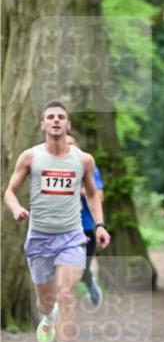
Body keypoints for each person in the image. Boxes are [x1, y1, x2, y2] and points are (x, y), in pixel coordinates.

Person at [3, 100, 111, 342]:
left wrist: (99, 225)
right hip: (39, 236)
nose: (55, 121)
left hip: (72, 236)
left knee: (66, 295)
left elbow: (92, 195)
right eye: (50, 117)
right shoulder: (30, 157)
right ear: (42, 124)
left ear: (68, 124)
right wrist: (16, 209)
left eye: (60, 117)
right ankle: (48, 317)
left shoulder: (83, 159)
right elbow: (9, 192)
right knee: (46, 301)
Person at [67, 130, 104, 306]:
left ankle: (89, 281)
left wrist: (78, 189)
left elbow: (99, 196)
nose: (68, 147)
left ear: (78, 147)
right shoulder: (50, 168)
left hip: (86, 226)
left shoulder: (89, 168)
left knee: (81, 268)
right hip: (61, 228)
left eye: (71, 144)